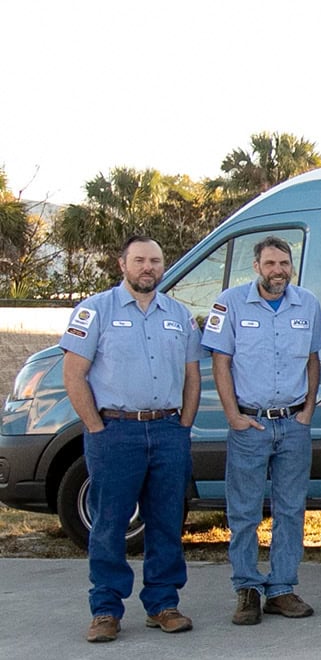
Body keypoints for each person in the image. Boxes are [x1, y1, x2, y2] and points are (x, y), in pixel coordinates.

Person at [64, 236, 204, 642]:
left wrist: (184, 425)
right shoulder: (94, 311)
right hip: (115, 432)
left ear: (163, 267)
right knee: (110, 523)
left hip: (167, 431)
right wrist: (95, 427)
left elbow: (193, 375)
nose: (148, 267)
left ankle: (163, 603)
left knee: (165, 521)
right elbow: (74, 375)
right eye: (140, 260)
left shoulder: (179, 315)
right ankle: (105, 610)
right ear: (122, 264)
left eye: (155, 261)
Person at [203, 235, 321, 624]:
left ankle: (282, 589)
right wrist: (233, 416)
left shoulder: (307, 304)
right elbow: (221, 364)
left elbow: (313, 360)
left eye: (284, 263)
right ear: (256, 266)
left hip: (293, 425)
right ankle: (247, 589)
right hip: (250, 424)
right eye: (270, 263)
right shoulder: (230, 303)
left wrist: (307, 410)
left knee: (291, 510)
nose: (278, 270)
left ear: (292, 266)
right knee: (244, 512)